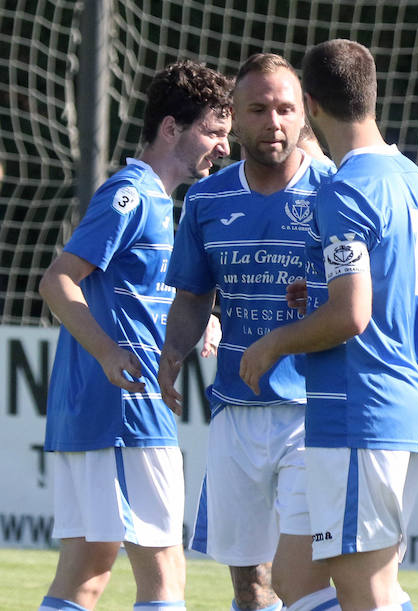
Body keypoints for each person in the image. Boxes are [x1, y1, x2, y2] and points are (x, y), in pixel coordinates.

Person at [239, 39, 418, 611]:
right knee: (297, 579)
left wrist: (274, 342)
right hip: (398, 402)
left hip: (362, 409)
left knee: (365, 588)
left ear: (310, 104)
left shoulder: (344, 190)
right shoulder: (415, 180)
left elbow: (352, 315)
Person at [38, 60, 232, 611]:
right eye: (214, 133)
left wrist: (204, 319)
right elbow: (57, 282)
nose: (222, 148)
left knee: (85, 575)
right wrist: (106, 351)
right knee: (165, 575)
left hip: (95, 410)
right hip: (128, 410)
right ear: (171, 128)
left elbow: (135, 289)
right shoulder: (133, 193)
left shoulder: (157, 201)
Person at [157, 54, 339, 611]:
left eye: (286, 108)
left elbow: (368, 295)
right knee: (250, 586)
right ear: (234, 116)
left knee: (306, 578)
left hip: (317, 410)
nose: (274, 121)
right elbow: (192, 296)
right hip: (236, 410)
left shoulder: (335, 190)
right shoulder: (207, 199)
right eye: (258, 109)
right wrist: (170, 359)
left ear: (303, 112)